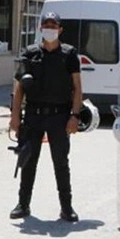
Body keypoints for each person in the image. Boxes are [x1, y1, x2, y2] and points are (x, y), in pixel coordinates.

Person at [9, 12, 83, 221]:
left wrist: (74, 116)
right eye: (46, 25)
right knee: (28, 161)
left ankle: (66, 207)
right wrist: (15, 116)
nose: (50, 28)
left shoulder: (69, 54)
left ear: (60, 29)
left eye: (54, 25)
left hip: (59, 116)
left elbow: (77, 88)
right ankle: (23, 204)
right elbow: (19, 87)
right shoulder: (29, 53)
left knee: (60, 162)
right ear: (40, 28)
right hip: (33, 114)